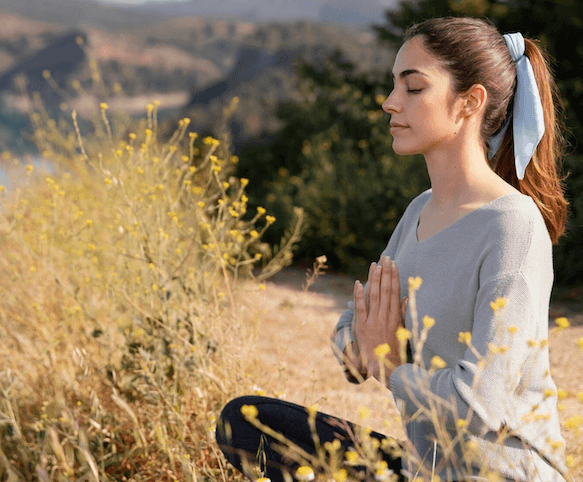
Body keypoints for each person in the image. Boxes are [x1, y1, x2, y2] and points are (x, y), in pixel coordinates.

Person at [216, 17, 571, 482]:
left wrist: (391, 365)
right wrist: (373, 348)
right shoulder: (421, 209)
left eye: (414, 88)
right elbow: (351, 330)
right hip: (425, 468)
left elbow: (482, 403)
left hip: (498, 476)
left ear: (470, 101)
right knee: (245, 421)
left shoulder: (513, 227)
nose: (390, 103)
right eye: (393, 87)